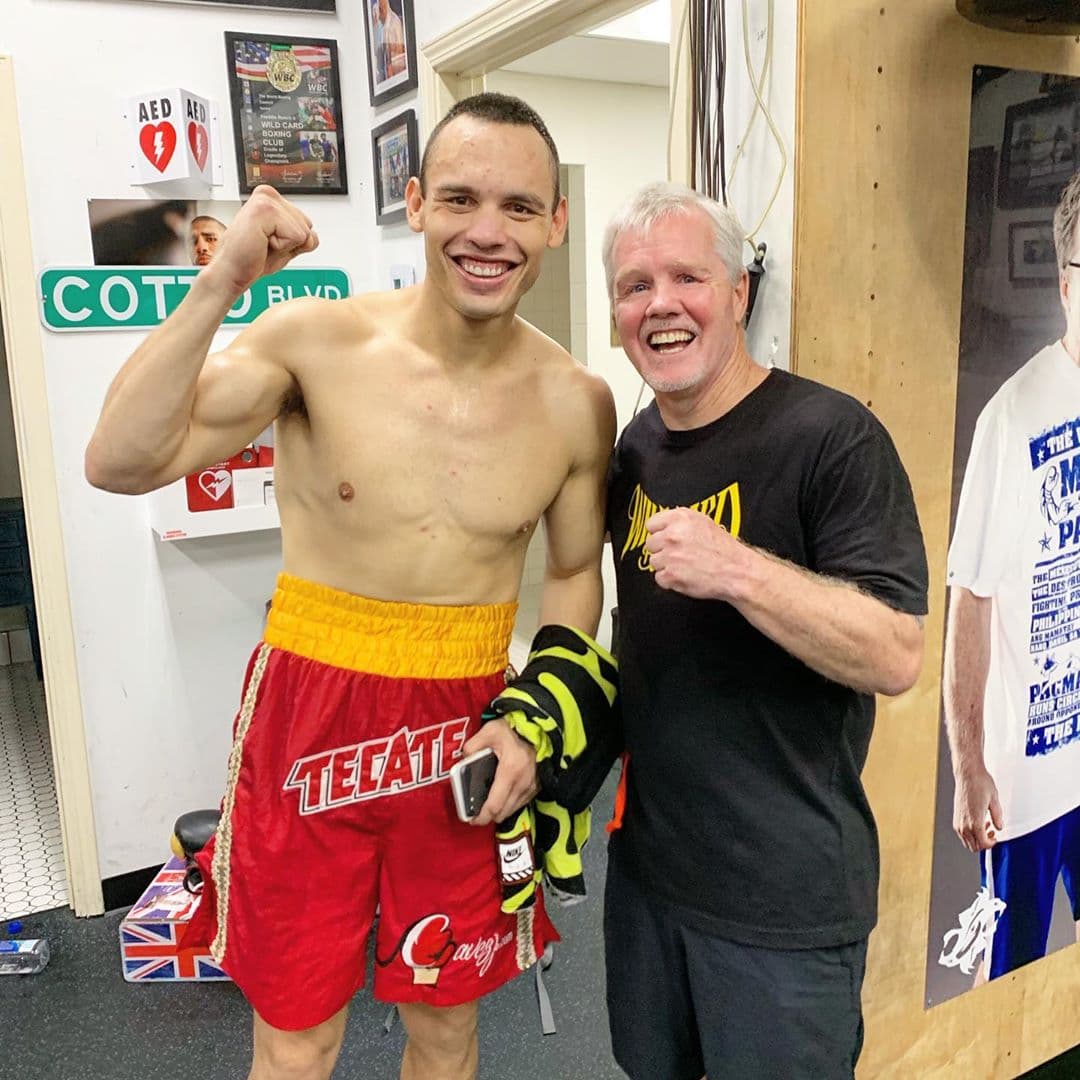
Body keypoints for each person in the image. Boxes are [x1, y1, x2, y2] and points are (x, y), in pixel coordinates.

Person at [85, 92, 615, 1080]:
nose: (488, 232)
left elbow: (576, 572)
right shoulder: (313, 343)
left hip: (467, 723)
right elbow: (119, 459)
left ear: (556, 221)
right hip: (311, 711)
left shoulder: (577, 402)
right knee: (298, 1039)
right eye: (459, 199)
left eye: (517, 206)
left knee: (447, 1030)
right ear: (414, 203)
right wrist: (223, 277)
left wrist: (535, 718)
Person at [601, 182, 928, 1079]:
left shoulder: (831, 436)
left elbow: (896, 653)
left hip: (782, 902)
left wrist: (739, 571)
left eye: (687, 278)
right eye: (635, 286)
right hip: (651, 881)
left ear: (739, 292)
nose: (661, 304)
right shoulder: (634, 450)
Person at [944, 168, 1080, 984]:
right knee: (1009, 983)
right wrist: (969, 768)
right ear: (1066, 284)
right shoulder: (1014, 417)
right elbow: (971, 596)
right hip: (1028, 782)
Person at [372, 0, 406, 83]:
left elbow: (400, 53)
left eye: (381, 9)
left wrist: (391, 66)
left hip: (396, 70)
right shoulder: (379, 25)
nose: (379, 14)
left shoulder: (395, 22)